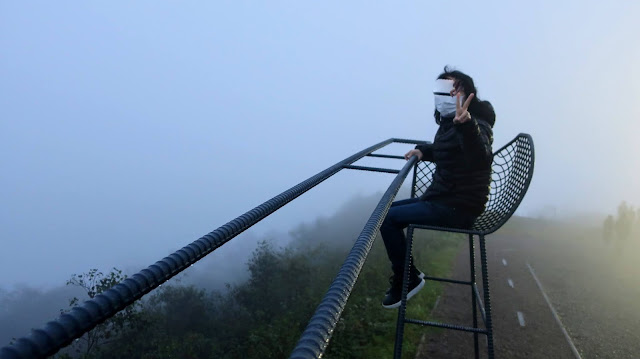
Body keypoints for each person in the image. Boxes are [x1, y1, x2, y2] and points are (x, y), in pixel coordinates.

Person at [380, 67, 495, 308]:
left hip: (458, 206)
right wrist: (424, 150)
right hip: (443, 198)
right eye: (441, 90)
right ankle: (409, 273)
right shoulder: (447, 124)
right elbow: (449, 150)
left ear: (467, 94)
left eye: (453, 89)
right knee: (382, 213)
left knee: (388, 219)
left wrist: (467, 125)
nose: (446, 95)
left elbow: (479, 157)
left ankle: (407, 278)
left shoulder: (476, 123)